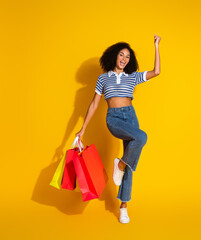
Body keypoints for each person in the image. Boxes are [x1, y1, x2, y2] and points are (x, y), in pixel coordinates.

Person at [75, 34, 161, 223]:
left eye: (128, 57)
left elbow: (156, 71)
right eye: (122, 55)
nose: (124, 59)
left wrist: (156, 46)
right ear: (115, 56)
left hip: (130, 116)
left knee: (129, 165)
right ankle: (120, 164)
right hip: (113, 118)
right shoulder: (103, 78)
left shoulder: (132, 77)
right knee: (142, 137)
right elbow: (94, 104)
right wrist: (83, 129)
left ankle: (123, 206)